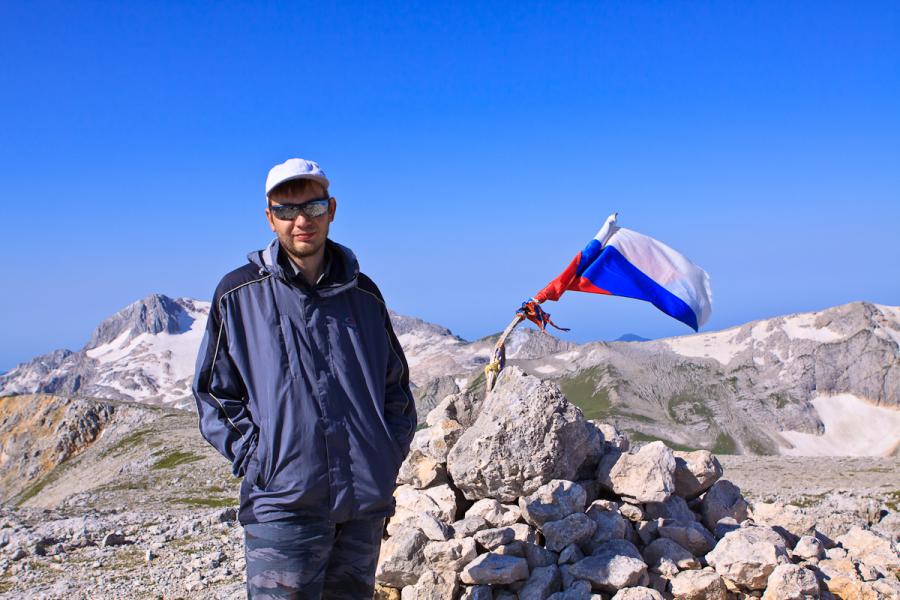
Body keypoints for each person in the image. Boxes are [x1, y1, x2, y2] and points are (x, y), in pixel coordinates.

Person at [193, 157, 417, 599]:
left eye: (313, 207)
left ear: (331, 210)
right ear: (269, 217)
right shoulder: (237, 294)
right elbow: (213, 393)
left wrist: (385, 455)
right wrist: (261, 460)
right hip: (282, 507)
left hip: (362, 505)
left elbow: (396, 389)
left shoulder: (365, 294)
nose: (301, 221)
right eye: (286, 210)